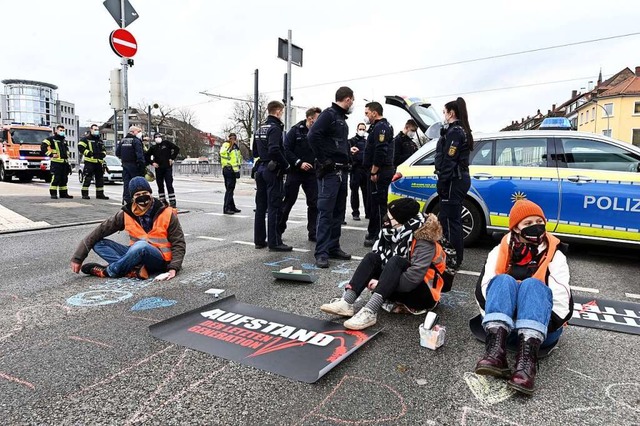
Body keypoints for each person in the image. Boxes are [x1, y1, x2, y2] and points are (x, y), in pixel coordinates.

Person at [474, 200, 572, 395]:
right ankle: (495, 355)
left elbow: (563, 303)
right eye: (527, 223)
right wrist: (503, 321)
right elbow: (483, 291)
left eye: (539, 221)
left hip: (539, 334)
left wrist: (538, 323)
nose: (535, 226)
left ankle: (526, 366)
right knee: (502, 280)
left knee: (532, 285)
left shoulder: (556, 255)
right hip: (502, 330)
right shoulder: (498, 251)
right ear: (516, 228)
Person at [320, 198, 447, 330]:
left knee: (396, 260)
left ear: (401, 220)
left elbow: (412, 279)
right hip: (400, 284)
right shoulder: (395, 232)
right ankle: (346, 302)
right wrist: (381, 281)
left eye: (390, 216)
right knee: (372, 258)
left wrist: (381, 284)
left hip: (424, 294)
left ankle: (370, 312)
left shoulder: (424, 240)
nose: (386, 219)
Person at [70, 177, 186, 280]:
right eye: (137, 195)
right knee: (98, 243)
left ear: (150, 193)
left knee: (141, 246)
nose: (142, 197)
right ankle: (133, 270)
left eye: (145, 193)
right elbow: (99, 231)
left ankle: (109, 271)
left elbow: (178, 242)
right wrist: (78, 258)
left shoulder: (167, 212)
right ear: (132, 198)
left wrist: (173, 268)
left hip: (159, 259)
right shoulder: (126, 213)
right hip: (135, 254)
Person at [308, 87, 355, 268]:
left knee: (338, 213)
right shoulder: (329, 115)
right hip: (330, 173)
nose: (352, 104)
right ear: (348, 99)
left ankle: (333, 247)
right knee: (326, 213)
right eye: (352, 101)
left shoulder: (340, 117)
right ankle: (322, 253)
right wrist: (323, 160)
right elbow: (312, 136)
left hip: (341, 172)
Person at [434, 97, 473, 268]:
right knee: (448, 218)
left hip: (453, 180)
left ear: (451, 113)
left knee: (450, 221)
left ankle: (453, 259)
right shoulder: (458, 130)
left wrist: (443, 181)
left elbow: (450, 159)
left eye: (444, 112)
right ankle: (451, 256)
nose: (444, 115)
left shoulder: (456, 132)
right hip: (456, 179)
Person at [253, 100, 292, 252]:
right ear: (277, 112)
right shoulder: (275, 128)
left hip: (261, 169)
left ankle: (259, 240)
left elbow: (255, 152)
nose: (281, 115)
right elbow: (274, 149)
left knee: (260, 207)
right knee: (274, 206)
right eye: (281, 112)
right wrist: (286, 165)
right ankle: (275, 242)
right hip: (272, 169)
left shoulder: (259, 129)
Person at [278, 107, 322, 242]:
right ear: (310, 119)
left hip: (311, 173)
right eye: (317, 118)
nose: (320, 121)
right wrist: (298, 162)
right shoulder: (295, 130)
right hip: (295, 171)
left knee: (314, 203)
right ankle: (278, 231)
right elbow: (286, 149)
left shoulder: (318, 132)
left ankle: (313, 232)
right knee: (288, 201)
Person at [362, 101, 394, 248]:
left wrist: (374, 171)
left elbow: (380, 151)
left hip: (380, 172)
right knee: (373, 204)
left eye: (367, 113)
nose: (366, 116)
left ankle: (378, 236)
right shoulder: (377, 127)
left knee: (378, 205)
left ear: (375, 112)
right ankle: (373, 231)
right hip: (377, 171)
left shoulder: (381, 127)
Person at [148, 133, 180, 208]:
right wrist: (152, 163)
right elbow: (146, 156)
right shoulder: (153, 147)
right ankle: (162, 201)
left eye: (159, 137)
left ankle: (172, 201)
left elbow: (176, 149)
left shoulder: (166, 143)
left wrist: (172, 158)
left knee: (169, 184)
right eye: (156, 137)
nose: (158, 138)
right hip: (158, 169)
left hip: (167, 168)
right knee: (160, 185)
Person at [41, 124, 73, 199]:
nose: (62, 132)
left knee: (64, 179)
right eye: (61, 130)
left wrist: (68, 159)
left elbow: (66, 151)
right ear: (56, 131)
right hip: (56, 163)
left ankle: (63, 194)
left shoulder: (64, 141)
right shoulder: (51, 139)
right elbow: (43, 146)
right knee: (56, 178)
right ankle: (53, 193)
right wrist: (51, 154)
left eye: (63, 131)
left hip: (64, 163)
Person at [116, 125, 146, 204]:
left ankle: (126, 200)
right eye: (138, 131)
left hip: (125, 165)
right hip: (135, 165)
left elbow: (117, 153)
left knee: (126, 183)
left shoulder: (122, 140)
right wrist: (142, 167)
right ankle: (136, 200)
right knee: (136, 184)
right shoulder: (136, 141)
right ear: (133, 132)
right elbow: (140, 155)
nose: (140, 133)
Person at [78, 124, 109, 200]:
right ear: (91, 130)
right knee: (88, 178)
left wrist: (103, 154)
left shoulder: (100, 140)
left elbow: (104, 150)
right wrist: (88, 152)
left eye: (97, 130)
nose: (96, 131)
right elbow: (80, 147)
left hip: (99, 162)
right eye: (95, 129)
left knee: (100, 179)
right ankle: (84, 194)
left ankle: (100, 194)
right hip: (90, 162)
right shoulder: (86, 139)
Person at [348, 122, 368, 221]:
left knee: (366, 192)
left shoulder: (366, 141)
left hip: (365, 170)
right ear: (357, 130)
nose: (362, 131)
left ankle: (368, 212)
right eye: (360, 129)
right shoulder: (351, 141)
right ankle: (355, 212)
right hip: (355, 169)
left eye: (363, 129)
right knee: (354, 192)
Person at [220, 133, 243, 214]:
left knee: (230, 189)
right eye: (232, 138)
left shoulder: (231, 146)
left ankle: (232, 206)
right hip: (230, 170)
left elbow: (237, 158)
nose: (233, 139)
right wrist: (236, 171)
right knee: (230, 190)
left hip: (228, 169)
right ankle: (226, 208)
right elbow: (233, 160)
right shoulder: (229, 146)